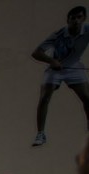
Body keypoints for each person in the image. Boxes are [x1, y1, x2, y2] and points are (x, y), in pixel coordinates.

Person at [31, 6, 89, 147]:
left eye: (79, 17)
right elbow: (36, 53)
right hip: (55, 68)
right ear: (68, 20)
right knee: (44, 98)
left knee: (87, 98)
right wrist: (52, 61)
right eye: (73, 18)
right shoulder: (58, 35)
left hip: (74, 67)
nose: (76, 21)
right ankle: (40, 134)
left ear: (84, 19)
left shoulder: (87, 30)